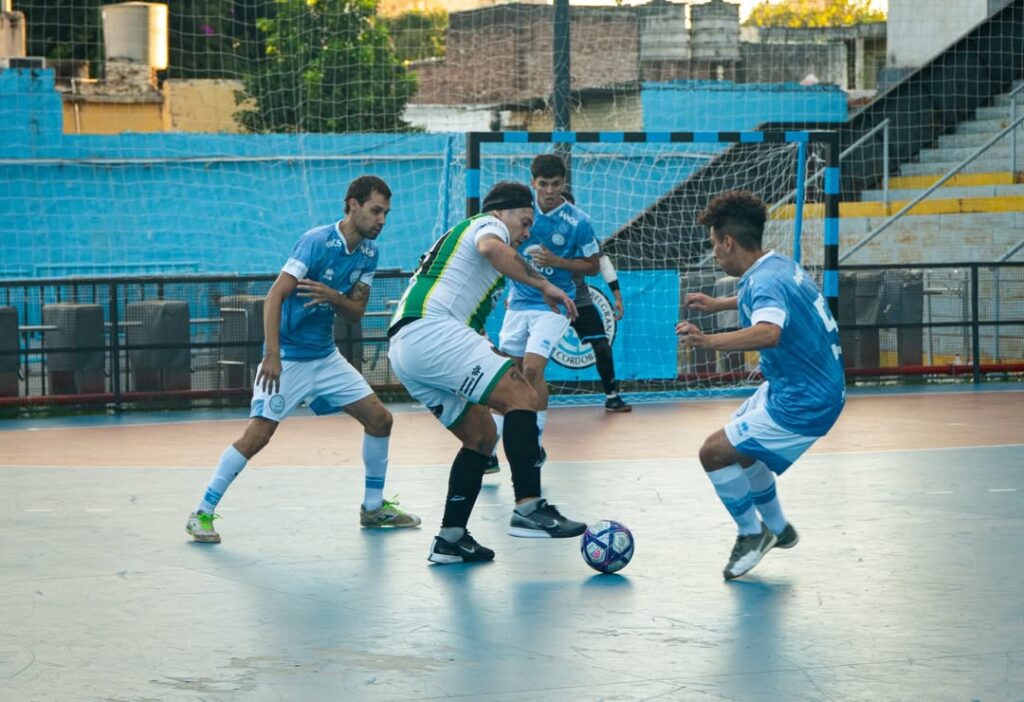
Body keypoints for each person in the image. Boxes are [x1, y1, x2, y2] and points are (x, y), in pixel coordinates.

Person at [186, 175, 420, 543]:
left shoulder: (369, 254)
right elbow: (274, 296)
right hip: (289, 359)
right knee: (258, 435)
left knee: (380, 419)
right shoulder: (316, 242)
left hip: (326, 358)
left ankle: (373, 509)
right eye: (376, 211)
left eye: (386, 214)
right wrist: (273, 355)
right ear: (352, 205)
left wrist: (333, 297)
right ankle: (202, 512)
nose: (382, 221)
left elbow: (356, 312)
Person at [387, 181, 586, 565]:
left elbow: (472, 334)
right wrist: (544, 283)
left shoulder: (465, 259)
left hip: (407, 347)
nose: (526, 233)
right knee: (525, 395)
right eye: (524, 222)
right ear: (503, 212)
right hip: (431, 330)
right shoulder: (487, 226)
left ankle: (450, 538)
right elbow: (492, 248)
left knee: (481, 436)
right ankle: (530, 508)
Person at [676, 191, 845, 580]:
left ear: (728, 242)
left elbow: (769, 331)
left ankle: (752, 534)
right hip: (799, 386)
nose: (714, 252)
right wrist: (720, 305)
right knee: (743, 449)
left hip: (805, 400)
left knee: (714, 453)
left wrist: (708, 341)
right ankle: (779, 528)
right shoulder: (777, 265)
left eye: (714, 243)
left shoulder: (764, 282)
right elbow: (768, 299)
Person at [488, 156, 600, 472]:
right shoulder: (518, 214)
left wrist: (557, 261)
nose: (549, 190)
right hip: (518, 305)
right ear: (533, 182)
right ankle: (490, 451)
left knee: (533, 371)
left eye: (556, 184)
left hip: (553, 306)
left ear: (564, 184)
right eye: (543, 184)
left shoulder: (578, 222)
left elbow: (592, 265)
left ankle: (534, 446)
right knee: (507, 378)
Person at [562, 190, 631, 414]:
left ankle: (612, 396)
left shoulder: (583, 231)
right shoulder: (538, 231)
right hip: (547, 301)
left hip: (580, 300)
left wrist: (617, 296)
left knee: (602, 346)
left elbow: (602, 262)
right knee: (530, 353)